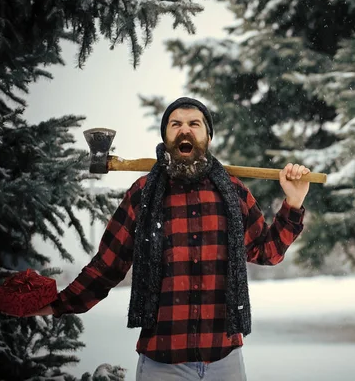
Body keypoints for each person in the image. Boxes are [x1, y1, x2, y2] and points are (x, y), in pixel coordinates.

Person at [21, 97, 311, 380]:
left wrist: (294, 204)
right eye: (176, 124)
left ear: (208, 138)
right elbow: (106, 266)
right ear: (165, 138)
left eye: (194, 124)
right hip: (163, 363)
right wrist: (57, 303)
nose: (185, 130)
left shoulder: (233, 193)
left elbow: (267, 252)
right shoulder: (143, 194)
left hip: (225, 359)